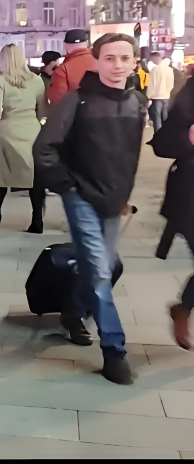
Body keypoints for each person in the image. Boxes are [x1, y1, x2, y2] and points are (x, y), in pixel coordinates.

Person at [33, 33, 146, 384]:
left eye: (124, 59)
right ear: (96, 61)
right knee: (99, 268)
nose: (117, 66)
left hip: (112, 200)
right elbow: (44, 148)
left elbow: (127, 156)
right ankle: (115, 350)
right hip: (80, 196)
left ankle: (72, 313)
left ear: (133, 63)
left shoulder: (136, 103)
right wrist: (68, 187)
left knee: (99, 264)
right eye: (109, 58)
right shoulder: (77, 101)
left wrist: (122, 195)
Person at [150, 72, 194, 350]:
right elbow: (162, 142)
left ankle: (185, 306)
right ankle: (184, 308)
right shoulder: (191, 94)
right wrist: (189, 141)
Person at [0, 44, 48, 233]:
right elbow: (42, 107)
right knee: (33, 177)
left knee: (1, 171)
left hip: (7, 130)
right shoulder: (37, 80)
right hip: (32, 130)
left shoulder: (0, 80)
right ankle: (37, 220)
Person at [46, 29, 97, 106]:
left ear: (65, 44)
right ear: (86, 43)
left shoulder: (63, 70)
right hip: (108, 113)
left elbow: (58, 100)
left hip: (79, 115)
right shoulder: (102, 62)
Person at [147, 51, 175, 132]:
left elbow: (152, 84)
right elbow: (171, 84)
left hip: (156, 96)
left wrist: (148, 96)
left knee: (157, 117)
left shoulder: (155, 69)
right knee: (165, 116)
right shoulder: (170, 70)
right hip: (167, 96)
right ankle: (167, 133)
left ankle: (158, 135)